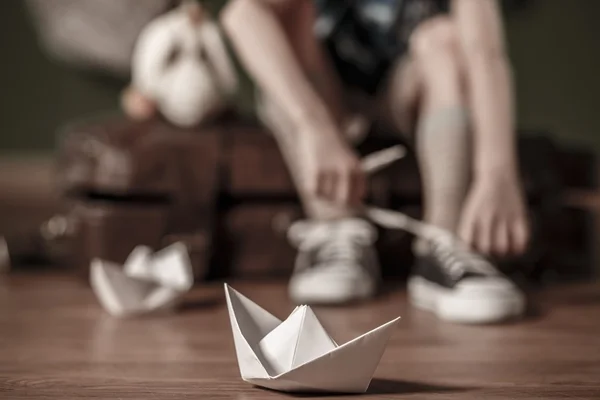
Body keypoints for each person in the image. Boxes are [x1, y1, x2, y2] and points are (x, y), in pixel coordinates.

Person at [220, 0, 530, 323]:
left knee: (445, 39)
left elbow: (484, 51)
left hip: (409, 87)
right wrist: (314, 126)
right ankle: (336, 227)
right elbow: (243, 14)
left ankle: (445, 245)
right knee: (281, 33)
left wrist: (498, 173)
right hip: (325, 92)